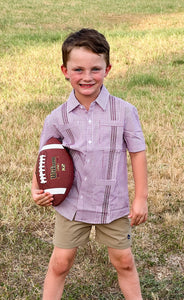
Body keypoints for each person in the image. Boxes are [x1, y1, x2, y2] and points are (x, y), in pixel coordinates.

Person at [31, 28, 148, 300]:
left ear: (108, 69)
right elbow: (45, 156)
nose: (87, 77)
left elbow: (138, 153)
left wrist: (140, 198)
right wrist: (36, 188)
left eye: (95, 69)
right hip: (73, 204)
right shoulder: (57, 118)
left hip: (113, 204)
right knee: (60, 263)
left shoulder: (125, 111)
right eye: (78, 69)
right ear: (65, 70)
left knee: (125, 262)